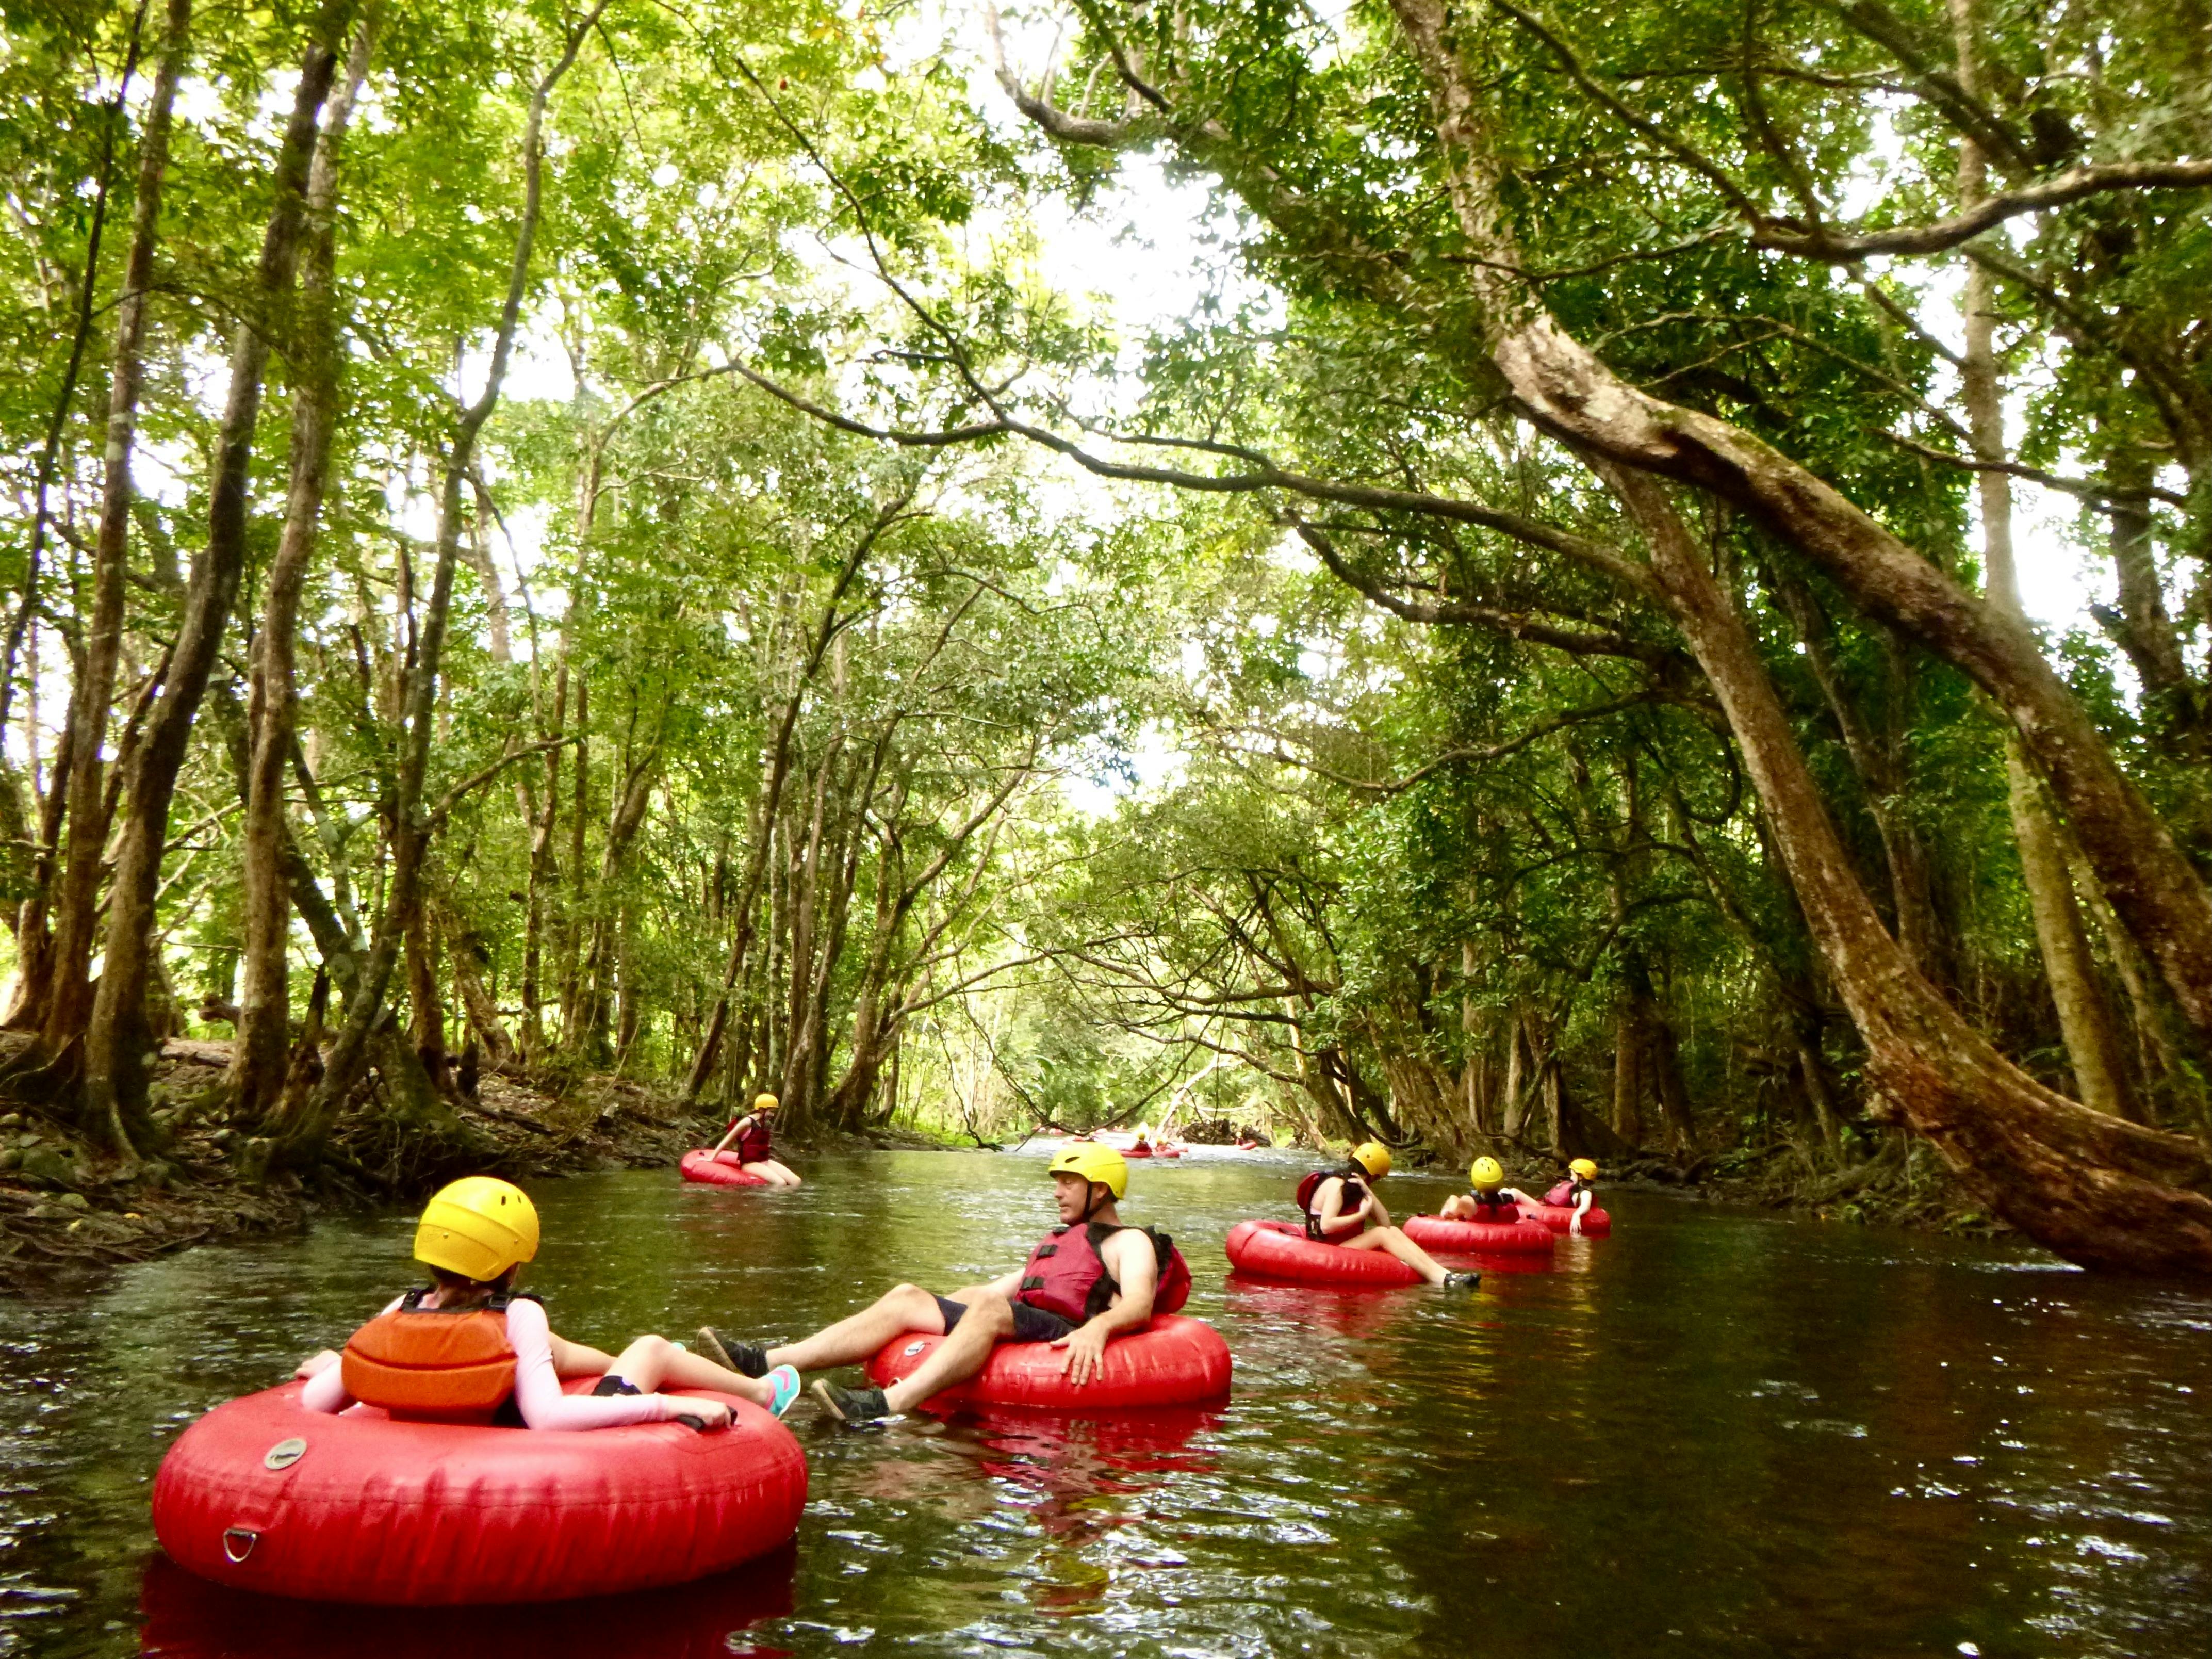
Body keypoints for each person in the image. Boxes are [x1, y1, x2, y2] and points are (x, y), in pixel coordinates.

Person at [696, 1144, 1192, 1424]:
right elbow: (1002, 1288)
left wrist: (1097, 1331)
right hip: (1030, 1318)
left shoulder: (1131, 1243)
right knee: (909, 1296)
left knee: (990, 1311)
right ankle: (769, 1362)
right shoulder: (1065, 1240)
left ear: (1099, 1190)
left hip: (1063, 1331)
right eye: (1057, 1181)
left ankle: (887, 1404)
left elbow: (1140, 1306)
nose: (1058, 1191)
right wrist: (935, 1311)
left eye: (1068, 1182)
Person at [294, 1176, 802, 1427]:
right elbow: (547, 1418)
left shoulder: (398, 1310)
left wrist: (339, 1367)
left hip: (452, 1408)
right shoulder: (518, 1313)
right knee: (652, 1349)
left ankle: (653, 1367)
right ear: (513, 1262)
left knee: (551, 1350)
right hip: (508, 1431)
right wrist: (665, 1407)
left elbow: (318, 1404)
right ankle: (759, 1394)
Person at [1298, 1142, 1478, 1289]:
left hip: (1341, 1245)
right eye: (1376, 1180)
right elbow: (1326, 1226)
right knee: (1381, 1234)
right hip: (1325, 1248)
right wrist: (1361, 1215)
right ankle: (1442, 1279)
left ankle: (1444, 1275)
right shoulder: (1338, 1186)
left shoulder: (1356, 1185)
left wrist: (1367, 1190)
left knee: (1391, 1231)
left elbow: (1386, 1223)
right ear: (1374, 1175)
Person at [709, 1092, 801, 1187]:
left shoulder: (765, 1123)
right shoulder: (747, 1122)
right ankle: (770, 1201)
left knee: (796, 1181)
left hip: (765, 1162)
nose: (773, 1115)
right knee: (780, 1183)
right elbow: (728, 1139)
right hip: (749, 1164)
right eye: (771, 1111)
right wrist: (712, 1157)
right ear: (762, 1110)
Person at [1439, 1156, 1525, 1222]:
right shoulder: (1508, 1200)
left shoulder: (1472, 1204)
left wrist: (1447, 1211)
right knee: (1509, 1191)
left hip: (1477, 1231)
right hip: (1502, 1203)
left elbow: (1454, 1201)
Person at [1542, 1157, 1600, 1236]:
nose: (1571, 1178)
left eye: (1572, 1175)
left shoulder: (1586, 1192)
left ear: (1580, 1176)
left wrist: (1577, 1215)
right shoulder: (1575, 1189)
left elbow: (1585, 1206)